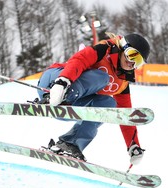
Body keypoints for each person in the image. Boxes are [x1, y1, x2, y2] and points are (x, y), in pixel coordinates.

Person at [37, 32, 150, 165]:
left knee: (109, 104)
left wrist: (133, 145)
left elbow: (124, 115)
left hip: (71, 105)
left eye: (139, 62)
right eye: (132, 55)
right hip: (54, 82)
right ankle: (62, 96)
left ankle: (70, 144)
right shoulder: (103, 50)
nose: (132, 63)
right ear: (123, 47)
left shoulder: (122, 82)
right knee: (102, 77)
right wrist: (62, 82)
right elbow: (79, 60)